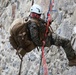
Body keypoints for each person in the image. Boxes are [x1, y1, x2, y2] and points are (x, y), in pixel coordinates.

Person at [9, 4, 76, 66]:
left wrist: (47, 23)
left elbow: (41, 26)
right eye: (38, 15)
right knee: (66, 42)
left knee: (64, 42)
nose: (39, 16)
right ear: (34, 14)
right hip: (47, 39)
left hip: (46, 37)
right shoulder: (33, 25)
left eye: (39, 14)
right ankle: (72, 60)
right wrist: (42, 43)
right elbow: (35, 38)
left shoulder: (32, 19)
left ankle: (72, 57)